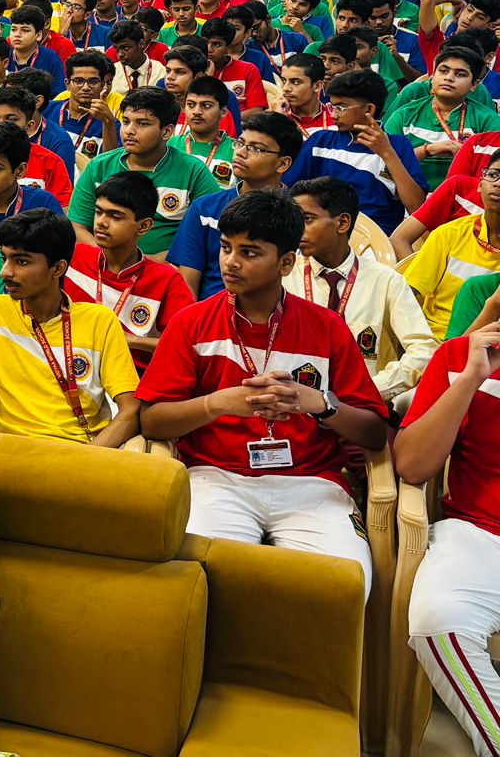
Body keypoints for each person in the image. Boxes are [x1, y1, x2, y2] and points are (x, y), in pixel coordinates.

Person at [137, 192, 391, 587]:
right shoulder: (192, 322)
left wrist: (320, 404)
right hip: (215, 478)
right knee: (197, 578)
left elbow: (374, 432)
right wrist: (216, 404)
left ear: (286, 263)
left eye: (250, 252)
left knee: (344, 583)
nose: (230, 262)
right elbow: (152, 421)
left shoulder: (327, 327)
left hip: (311, 483)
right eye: (226, 247)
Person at [0, 207, 139, 442]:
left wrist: (91, 456)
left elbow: (130, 411)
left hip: (80, 451)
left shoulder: (100, 321)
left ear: (58, 268)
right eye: (5, 259)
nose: (5, 272)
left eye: (21, 261)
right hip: (9, 450)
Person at [396, 323, 500, 757]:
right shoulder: (463, 356)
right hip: (479, 531)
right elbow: (412, 465)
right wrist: (472, 379)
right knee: (438, 619)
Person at [282, 176, 435, 405]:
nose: (296, 229)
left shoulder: (386, 281)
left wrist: (371, 389)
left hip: (362, 406)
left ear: (343, 223)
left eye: (307, 219)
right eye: (293, 220)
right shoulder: (283, 276)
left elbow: (423, 349)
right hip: (295, 402)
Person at [69, 87, 221, 257]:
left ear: (167, 131)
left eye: (142, 124)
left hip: (168, 266)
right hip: (102, 264)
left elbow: (210, 232)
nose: (129, 131)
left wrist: (153, 263)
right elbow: (77, 227)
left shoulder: (194, 171)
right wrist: (111, 259)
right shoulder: (99, 166)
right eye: (126, 121)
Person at [66, 171, 194, 374]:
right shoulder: (72, 257)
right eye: (99, 212)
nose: (101, 222)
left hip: (132, 377)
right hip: (67, 367)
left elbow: (189, 344)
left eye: (115, 216)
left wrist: (128, 340)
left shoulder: (166, 279)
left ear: (143, 226)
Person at [169, 111, 304, 300]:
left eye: (256, 149)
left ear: (283, 164)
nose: (240, 153)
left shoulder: (297, 215)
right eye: (240, 143)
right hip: (212, 311)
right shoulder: (205, 209)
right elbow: (187, 286)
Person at [285, 69, 427, 237]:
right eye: (331, 106)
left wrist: (387, 153)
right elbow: (288, 190)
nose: (333, 114)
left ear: (369, 109)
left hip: (376, 239)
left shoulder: (398, 146)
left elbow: (416, 207)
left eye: (341, 107)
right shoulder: (320, 141)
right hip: (319, 232)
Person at [404, 148, 500, 341]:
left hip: (490, 346)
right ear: (480, 184)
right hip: (432, 340)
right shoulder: (449, 234)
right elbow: (406, 294)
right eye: (493, 175)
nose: (498, 183)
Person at [387, 46, 500, 186]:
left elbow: (494, 172)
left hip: (464, 197)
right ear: (433, 76)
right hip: (407, 195)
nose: (449, 78)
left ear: (474, 85)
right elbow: (384, 164)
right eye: (443, 71)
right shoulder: (404, 115)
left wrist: (466, 156)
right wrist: (427, 150)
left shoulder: (488, 120)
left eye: (460, 74)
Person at [170, 75, 236, 187]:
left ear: (223, 112)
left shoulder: (237, 152)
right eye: (191, 105)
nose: (196, 111)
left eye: (206, 105)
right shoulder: (169, 146)